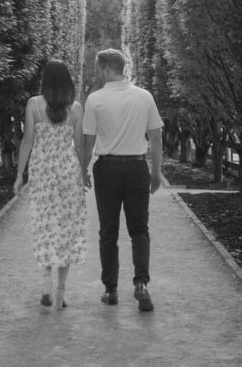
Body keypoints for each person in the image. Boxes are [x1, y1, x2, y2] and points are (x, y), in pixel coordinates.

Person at [82, 48, 163, 312]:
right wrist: (156, 171)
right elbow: (156, 137)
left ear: (107, 69)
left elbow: (89, 142)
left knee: (108, 231)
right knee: (139, 230)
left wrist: (83, 169)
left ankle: (111, 290)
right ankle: (141, 284)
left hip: (107, 169)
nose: (97, 74)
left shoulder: (95, 100)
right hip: (137, 166)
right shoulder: (144, 96)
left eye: (98, 69)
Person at [13, 59, 88, 309]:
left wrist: (19, 175)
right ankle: (61, 294)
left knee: (45, 226)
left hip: (42, 172)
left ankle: (45, 285)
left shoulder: (33, 105)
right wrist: (84, 173)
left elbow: (27, 142)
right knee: (67, 230)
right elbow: (78, 147)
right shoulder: (76, 109)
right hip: (68, 172)